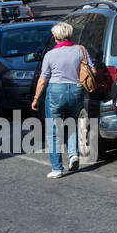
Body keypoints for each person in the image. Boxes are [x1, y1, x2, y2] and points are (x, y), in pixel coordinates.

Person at [29, 22, 92, 178]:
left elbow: (43, 79)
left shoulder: (50, 55)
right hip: (76, 90)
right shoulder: (80, 50)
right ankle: (73, 155)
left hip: (56, 93)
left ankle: (57, 168)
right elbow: (92, 70)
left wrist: (36, 98)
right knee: (72, 123)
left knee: (53, 131)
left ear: (56, 37)